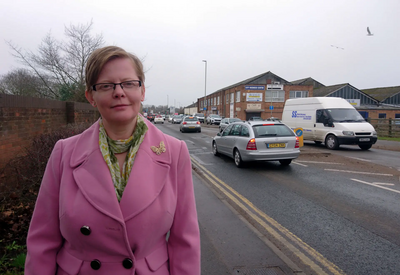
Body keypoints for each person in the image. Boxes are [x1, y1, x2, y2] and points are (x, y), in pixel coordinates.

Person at [25, 46, 201, 274]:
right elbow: (42, 241)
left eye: (128, 83)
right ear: (91, 96)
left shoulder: (175, 151)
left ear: (142, 91)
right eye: (107, 86)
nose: (119, 92)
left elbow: (185, 241)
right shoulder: (63, 153)